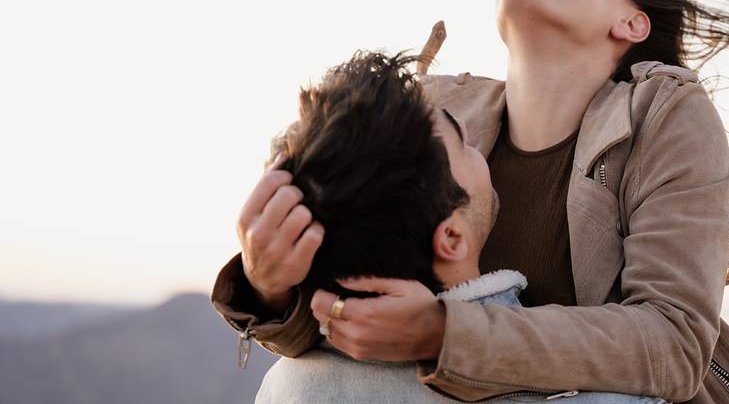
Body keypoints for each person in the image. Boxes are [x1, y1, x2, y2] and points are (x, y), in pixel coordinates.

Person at [211, 0, 729, 403]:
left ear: (631, 21)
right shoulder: (435, 113)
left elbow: (673, 348)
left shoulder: (664, 113)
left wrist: (445, 334)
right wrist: (272, 290)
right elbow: (359, 316)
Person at [247, 49, 667, 403]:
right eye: (460, 141)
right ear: (450, 237)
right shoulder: (606, 398)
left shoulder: (285, 387)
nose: (469, 127)